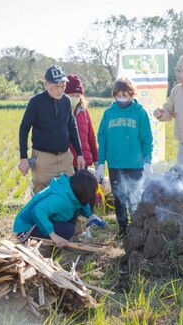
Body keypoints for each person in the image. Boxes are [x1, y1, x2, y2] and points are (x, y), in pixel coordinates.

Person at [96, 77, 153, 239]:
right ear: (114, 95)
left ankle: (136, 230)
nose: (122, 98)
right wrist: (101, 163)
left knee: (134, 198)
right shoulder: (109, 113)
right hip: (115, 164)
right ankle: (122, 230)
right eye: (118, 95)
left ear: (131, 94)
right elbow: (103, 139)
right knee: (119, 198)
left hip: (135, 165)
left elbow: (147, 139)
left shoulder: (140, 113)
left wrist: (147, 161)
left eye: (125, 95)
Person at [18, 64, 85, 195]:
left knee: (69, 192)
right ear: (46, 85)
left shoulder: (66, 101)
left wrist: (80, 153)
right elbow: (24, 129)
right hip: (43, 158)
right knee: (42, 194)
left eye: (63, 86)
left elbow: (72, 126)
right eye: (56, 87)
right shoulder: (36, 102)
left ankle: (69, 216)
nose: (60, 90)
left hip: (65, 157)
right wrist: (23, 158)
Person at [13, 170, 105, 247]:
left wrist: (91, 215)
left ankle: (59, 239)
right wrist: (53, 235)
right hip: (25, 229)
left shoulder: (71, 189)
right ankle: (48, 244)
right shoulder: (60, 198)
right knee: (69, 230)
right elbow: (37, 210)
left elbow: (80, 203)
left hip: (36, 222)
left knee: (75, 210)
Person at [64, 74, 99, 171]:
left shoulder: (84, 112)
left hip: (83, 162)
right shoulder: (59, 112)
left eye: (77, 95)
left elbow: (91, 138)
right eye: (71, 95)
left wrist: (96, 161)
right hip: (66, 164)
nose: (75, 98)